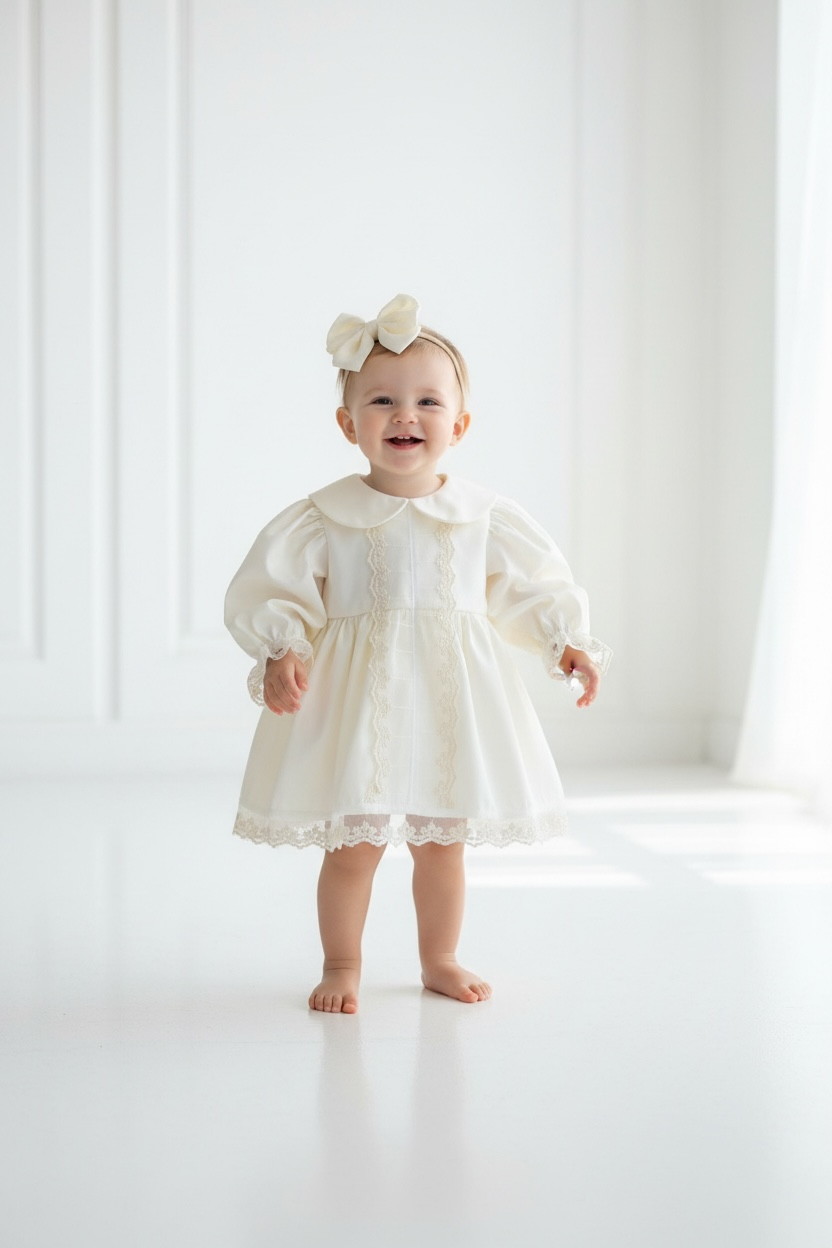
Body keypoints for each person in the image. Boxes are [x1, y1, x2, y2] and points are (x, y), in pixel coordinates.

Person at [225, 294, 611, 1014]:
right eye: (382, 401)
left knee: (443, 846)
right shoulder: (323, 517)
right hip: (356, 703)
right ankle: (342, 962)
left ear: (458, 424)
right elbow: (274, 588)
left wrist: (565, 642)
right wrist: (281, 649)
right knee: (353, 847)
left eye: (428, 401)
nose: (406, 415)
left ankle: (441, 958)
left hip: (448, 699)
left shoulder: (483, 516)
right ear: (348, 424)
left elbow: (530, 587)